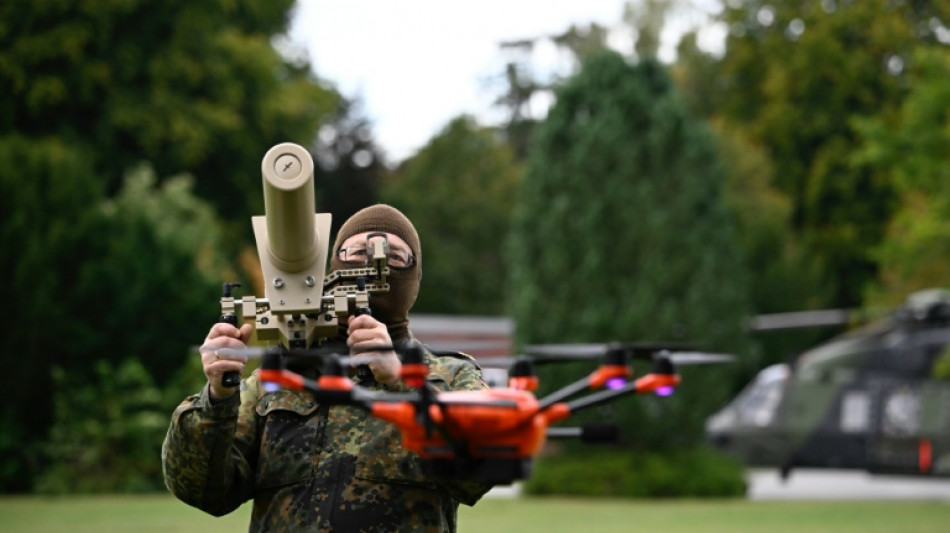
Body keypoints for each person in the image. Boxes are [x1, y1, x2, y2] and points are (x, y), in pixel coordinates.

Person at [162, 204, 493, 532]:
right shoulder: (277, 380)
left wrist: (400, 380)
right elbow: (203, 490)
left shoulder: (452, 376)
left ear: (414, 277)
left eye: (394, 256)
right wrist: (218, 396)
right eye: (357, 251)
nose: (372, 261)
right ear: (333, 267)